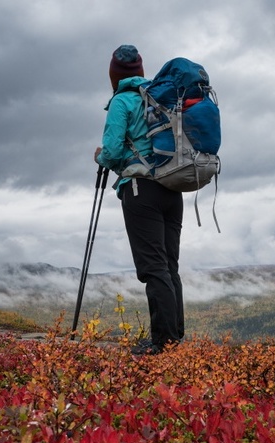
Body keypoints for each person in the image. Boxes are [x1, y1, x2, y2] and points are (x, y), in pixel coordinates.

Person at [94, 45, 184, 355]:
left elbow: (113, 150)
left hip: (140, 190)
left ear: (114, 75)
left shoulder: (122, 101)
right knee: (169, 266)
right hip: (173, 186)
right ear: (141, 72)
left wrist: (101, 157)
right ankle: (175, 338)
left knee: (153, 268)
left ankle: (163, 342)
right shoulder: (159, 98)